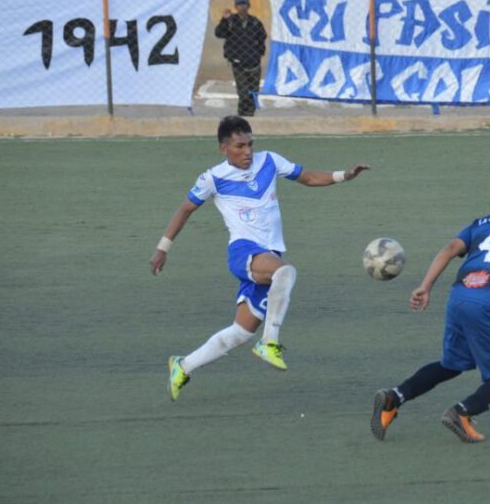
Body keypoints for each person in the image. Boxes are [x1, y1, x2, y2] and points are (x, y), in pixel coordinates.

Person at [151, 115, 369, 401]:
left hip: (269, 254)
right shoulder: (213, 178)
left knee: (241, 332)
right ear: (224, 149)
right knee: (286, 273)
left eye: (250, 144)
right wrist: (163, 248)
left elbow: (308, 177)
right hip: (244, 250)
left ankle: (183, 365)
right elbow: (185, 209)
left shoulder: (269, 161)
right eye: (240, 146)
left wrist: (345, 175)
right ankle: (270, 342)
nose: (248, 151)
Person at [371, 177, 490, 443]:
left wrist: (425, 286)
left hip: (459, 297)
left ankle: (393, 397)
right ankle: (462, 413)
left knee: (452, 363)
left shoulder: (482, 222)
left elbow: (450, 249)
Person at [215, 0, 267, 117]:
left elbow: (262, 38)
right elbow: (219, 33)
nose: (241, 7)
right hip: (238, 63)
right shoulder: (230, 21)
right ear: (235, 6)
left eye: (244, 4)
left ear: (248, 5)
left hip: (253, 63)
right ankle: (243, 115)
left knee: (253, 91)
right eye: (239, 4)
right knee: (243, 92)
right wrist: (224, 20)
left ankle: (250, 115)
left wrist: (258, 54)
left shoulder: (255, 22)